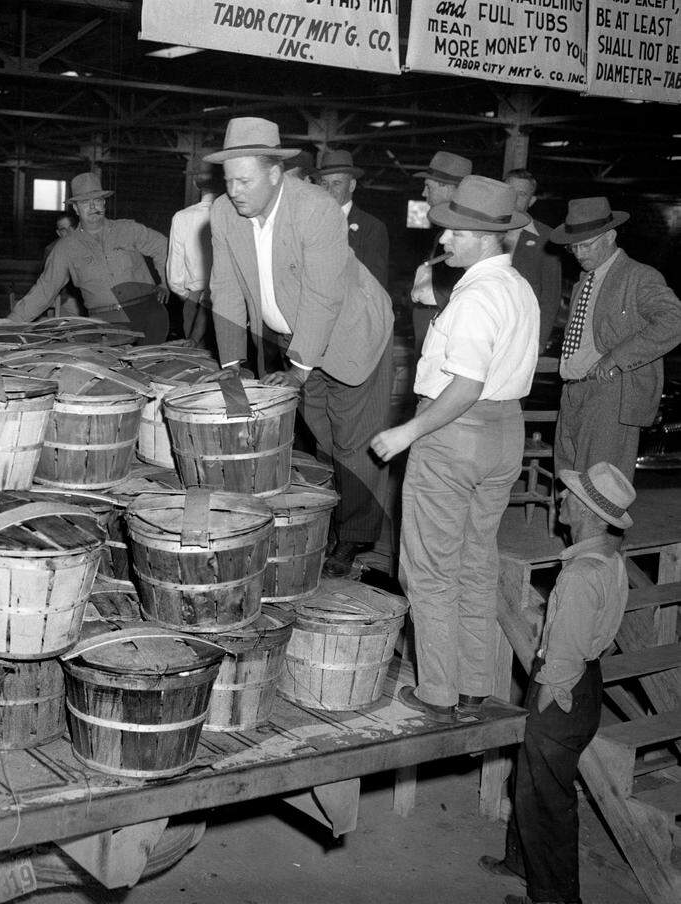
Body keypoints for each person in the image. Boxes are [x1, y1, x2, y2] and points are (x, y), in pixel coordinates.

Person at [371, 175, 539, 722]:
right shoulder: (519, 289)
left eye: (452, 233)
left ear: (482, 236)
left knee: (428, 569)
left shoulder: (475, 297)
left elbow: (463, 386)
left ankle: (438, 694)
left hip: (454, 435)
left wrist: (407, 432)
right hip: (504, 433)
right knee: (473, 564)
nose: (443, 241)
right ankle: (473, 687)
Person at [206, 117, 394, 578]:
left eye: (245, 180)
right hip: (297, 339)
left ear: (275, 174)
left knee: (353, 444)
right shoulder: (225, 214)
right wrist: (233, 364)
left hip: (351, 335)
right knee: (324, 443)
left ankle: (355, 539)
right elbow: (225, 288)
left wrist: (298, 369)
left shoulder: (316, 208)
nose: (235, 190)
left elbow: (324, 295)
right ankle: (332, 521)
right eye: (229, 181)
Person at [480, 461, 633, 904]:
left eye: (571, 496)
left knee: (545, 800)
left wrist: (544, 704)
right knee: (528, 786)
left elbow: (563, 662)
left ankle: (554, 898)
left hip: (562, 693)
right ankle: (520, 862)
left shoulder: (581, 575)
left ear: (588, 512)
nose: (561, 498)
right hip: (586, 684)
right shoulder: (607, 559)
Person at [550, 196, 681, 482]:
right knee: (569, 484)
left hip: (610, 392)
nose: (579, 254)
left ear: (610, 236)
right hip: (573, 392)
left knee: (599, 491)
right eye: (574, 247)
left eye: (587, 245)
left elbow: (675, 321)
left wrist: (616, 358)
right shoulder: (585, 281)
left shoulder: (639, 276)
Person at [10, 172, 170, 343]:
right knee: (112, 368)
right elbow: (45, 288)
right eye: (85, 202)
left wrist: (166, 282)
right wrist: (12, 322)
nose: (93, 206)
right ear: (76, 209)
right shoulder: (66, 248)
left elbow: (164, 247)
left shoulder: (128, 229)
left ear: (105, 204)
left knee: (155, 367)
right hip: (107, 323)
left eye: (97, 200)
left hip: (149, 314)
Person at [410, 151, 473, 355]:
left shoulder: (466, 233)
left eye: (429, 186)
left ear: (447, 188)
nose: (423, 193)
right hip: (429, 319)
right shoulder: (442, 231)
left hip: (445, 324)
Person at [504, 168, 563, 353]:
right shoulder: (485, 230)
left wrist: (539, 340)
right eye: (509, 191)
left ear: (532, 201)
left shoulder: (546, 237)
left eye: (521, 194)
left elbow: (551, 295)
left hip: (522, 329)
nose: (513, 199)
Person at [167, 158, 224, 348]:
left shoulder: (182, 217)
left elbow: (175, 277)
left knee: (192, 361)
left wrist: (192, 295)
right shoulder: (231, 217)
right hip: (226, 303)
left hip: (193, 300)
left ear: (194, 183)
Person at [315, 149, 389, 289]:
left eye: (336, 183)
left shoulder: (372, 228)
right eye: (324, 183)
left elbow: (374, 287)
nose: (329, 190)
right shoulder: (310, 223)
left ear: (351, 185)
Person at [42, 212, 83, 318]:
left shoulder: (86, 245)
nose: (69, 232)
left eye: (71, 227)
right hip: (67, 297)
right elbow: (49, 281)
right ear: (58, 233)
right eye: (63, 230)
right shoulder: (52, 250)